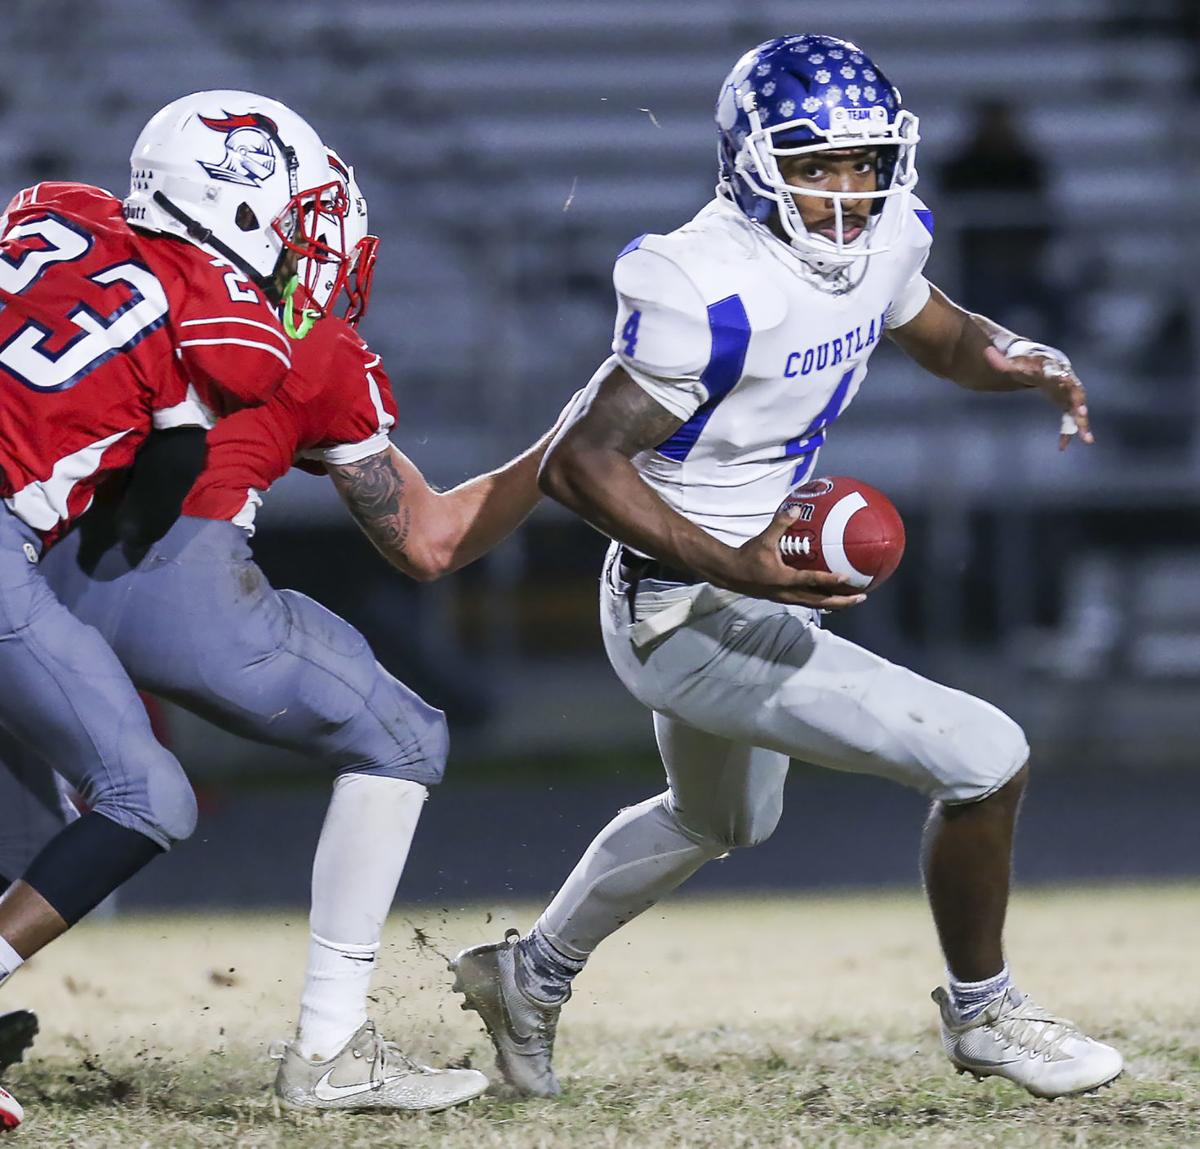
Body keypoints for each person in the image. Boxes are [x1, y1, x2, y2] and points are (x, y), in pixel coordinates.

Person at [451, 35, 1123, 1102]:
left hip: (734, 583)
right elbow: (583, 466)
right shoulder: (705, 281)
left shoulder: (888, 234)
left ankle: (527, 977)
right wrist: (736, 563)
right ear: (753, 162)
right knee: (988, 758)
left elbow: (940, 334)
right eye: (815, 164)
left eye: (862, 162)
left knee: (723, 820)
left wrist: (1019, 356)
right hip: (682, 604)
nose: (846, 190)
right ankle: (986, 1012)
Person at [0, 150, 575, 1112]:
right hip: (168, 572)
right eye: (305, 230)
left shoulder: (75, 227)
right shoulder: (281, 333)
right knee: (401, 738)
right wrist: (562, 455)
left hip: (47, 558)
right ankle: (332, 1043)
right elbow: (428, 542)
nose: (321, 257)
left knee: (44, 810)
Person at [0, 88, 351, 1121]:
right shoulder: (226, 329)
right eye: (287, 216)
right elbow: (137, 516)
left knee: (31, 800)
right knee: (147, 796)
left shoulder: (54, 210)